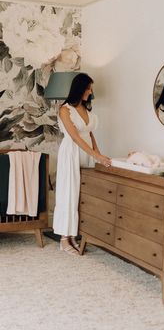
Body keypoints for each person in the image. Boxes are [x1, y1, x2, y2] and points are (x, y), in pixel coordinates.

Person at [53, 73, 111, 255]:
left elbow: (90, 134)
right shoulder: (65, 109)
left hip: (86, 153)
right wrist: (95, 154)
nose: (90, 91)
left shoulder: (88, 110)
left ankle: (74, 235)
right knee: (69, 192)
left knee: (82, 193)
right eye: (88, 88)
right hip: (71, 151)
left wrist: (99, 155)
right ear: (79, 88)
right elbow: (75, 137)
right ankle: (64, 238)